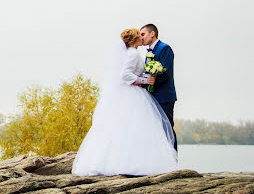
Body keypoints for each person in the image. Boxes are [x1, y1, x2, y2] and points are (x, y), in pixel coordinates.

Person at [71, 28, 177, 176]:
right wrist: (144, 80)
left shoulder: (134, 53)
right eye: (139, 35)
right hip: (134, 95)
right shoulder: (133, 54)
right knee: (135, 128)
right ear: (134, 39)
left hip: (139, 93)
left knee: (131, 128)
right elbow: (125, 75)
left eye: (143, 34)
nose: (142, 37)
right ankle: (136, 162)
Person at [140, 24, 178, 151]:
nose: (141, 38)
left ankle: (173, 160)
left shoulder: (165, 49)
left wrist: (146, 83)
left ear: (152, 34)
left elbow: (166, 74)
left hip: (164, 97)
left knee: (167, 128)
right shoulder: (149, 52)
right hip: (153, 96)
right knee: (156, 129)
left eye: (143, 34)